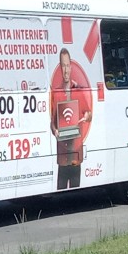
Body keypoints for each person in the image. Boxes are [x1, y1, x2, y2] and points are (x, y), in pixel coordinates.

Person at [50, 48, 92, 190]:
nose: (66, 70)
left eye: (68, 66)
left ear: (71, 67)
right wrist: (55, 130)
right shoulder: (56, 93)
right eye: (63, 66)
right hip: (62, 152)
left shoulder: (79, 91)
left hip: (76, 149)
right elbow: (52, 122)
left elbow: (89, 113)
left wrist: (85, 117)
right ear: (60, 67)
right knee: (61, 188)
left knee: (76, 189)